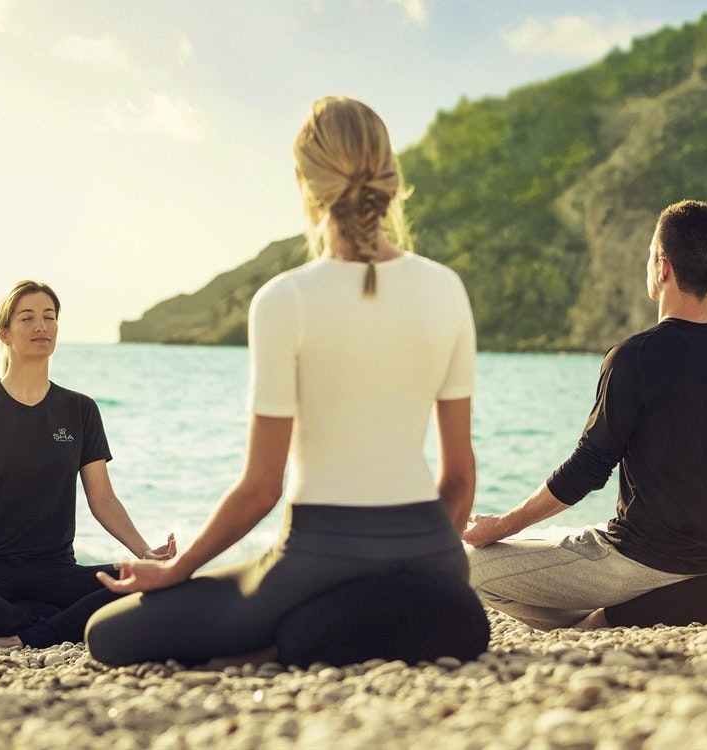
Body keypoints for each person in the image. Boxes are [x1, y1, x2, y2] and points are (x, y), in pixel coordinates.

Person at [82, 96, 479, 666]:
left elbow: (260, 489)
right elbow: (460, 477)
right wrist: (424, 557)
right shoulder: (446, 289)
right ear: (391, 177)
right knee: (378, 604)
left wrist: (177, 568)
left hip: (316, 560)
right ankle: (341, 626)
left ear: (302, 181)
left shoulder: (284, 300)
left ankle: (291, 635)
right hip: (435, 559)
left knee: (107, 633)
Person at [461, 200, 707, 630]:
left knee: (471, 566)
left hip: (638, 562)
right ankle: (671, 603)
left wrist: (501, 526)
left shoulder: (635, 357)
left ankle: (611, 619)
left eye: (649, 254)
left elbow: (588, 468)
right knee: (546, 549)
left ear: (661, 267)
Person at [0, 281, 172, 649]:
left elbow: (103, 499)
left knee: (141, 577)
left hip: (56, 571)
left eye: (49, 317)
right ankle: (55, 626)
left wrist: (145, 553)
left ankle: (23, 630)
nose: (41, 326)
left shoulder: (80, 409)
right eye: (27, 318)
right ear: (5, 333)